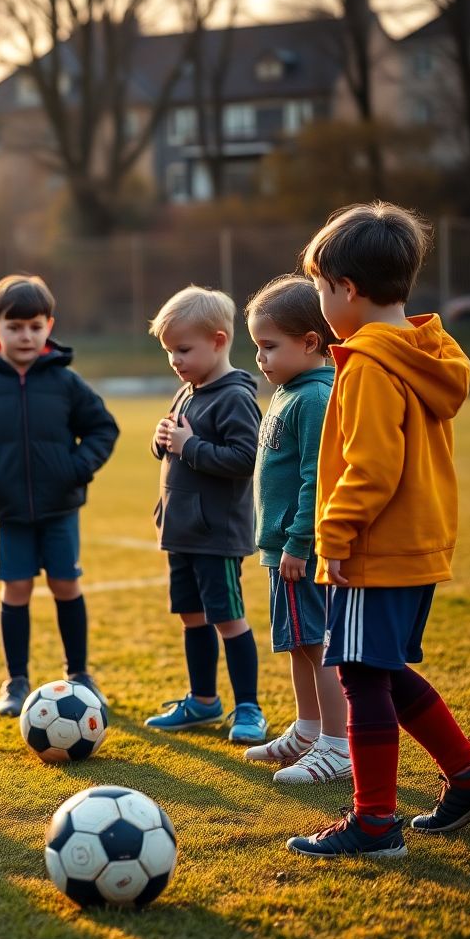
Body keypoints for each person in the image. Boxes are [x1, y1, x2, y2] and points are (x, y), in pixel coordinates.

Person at [287, 202, 470, 858]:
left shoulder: (369, 364)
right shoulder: (423, 351)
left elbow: (374, 467)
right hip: (417, 547)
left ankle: (375, 823)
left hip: (375, 549)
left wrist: (334, 536)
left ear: (346, 290)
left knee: (361, 676)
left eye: (323, 289)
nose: (324, 302)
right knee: (378, 670)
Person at [0, 274, 119, 717]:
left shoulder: (66, 383)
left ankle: (79, 675)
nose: (26, 335)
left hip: (60, 507)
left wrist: (75, 468)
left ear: (49, 325)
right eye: (15, 327)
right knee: (15, 588)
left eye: (35, 326)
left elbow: (103, 428)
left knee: (65, 583)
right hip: (8, 508)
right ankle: (16, 681)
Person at [144, 286, 267, 745]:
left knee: (228, 620)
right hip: (182, 531)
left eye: (183, 349)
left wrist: (189, 446)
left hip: (215, 535)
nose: (175, 359)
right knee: (192, 618)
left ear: (218, 341)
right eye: (169, 351)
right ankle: (202, 701)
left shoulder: (234, 396)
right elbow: (177, 447)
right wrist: (162, 440)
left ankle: (249, 708)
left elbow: (242, 459)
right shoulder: (188, 390)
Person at [243, 276, 351, 783]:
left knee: (317, 646)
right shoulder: (289, 391)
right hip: (280, 549)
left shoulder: (313, 398)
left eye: (270, 346)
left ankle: (336, 744)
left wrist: (298, 543)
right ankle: (307, 731)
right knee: (297, 643)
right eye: (257, 347)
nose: (261, 358)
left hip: (297, 550)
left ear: (311, 342)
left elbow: (317, 477)